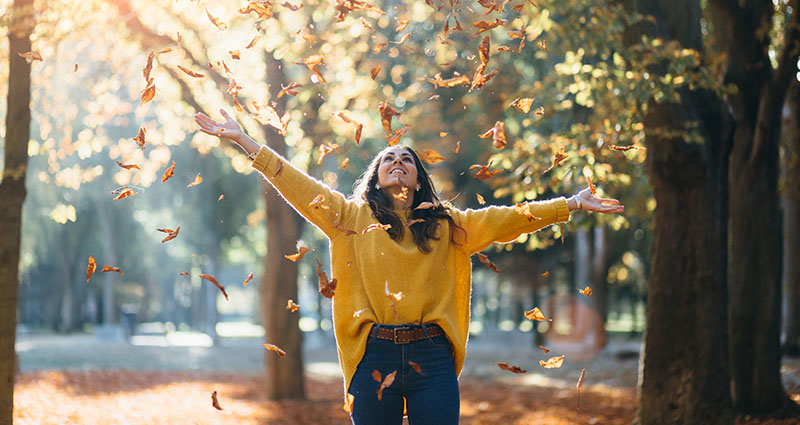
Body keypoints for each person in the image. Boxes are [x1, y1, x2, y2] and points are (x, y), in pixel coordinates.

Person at [194, 109, 624, 425]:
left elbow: (507, 218)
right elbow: (296, 184)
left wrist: (568, 204)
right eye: (388, 158)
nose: (397, 162)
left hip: (432, 356)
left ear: (418, 177)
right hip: (373, 353)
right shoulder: (348, 218)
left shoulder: (449, 225)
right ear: (376, 176)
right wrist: (243, 141)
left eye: (407, 159)